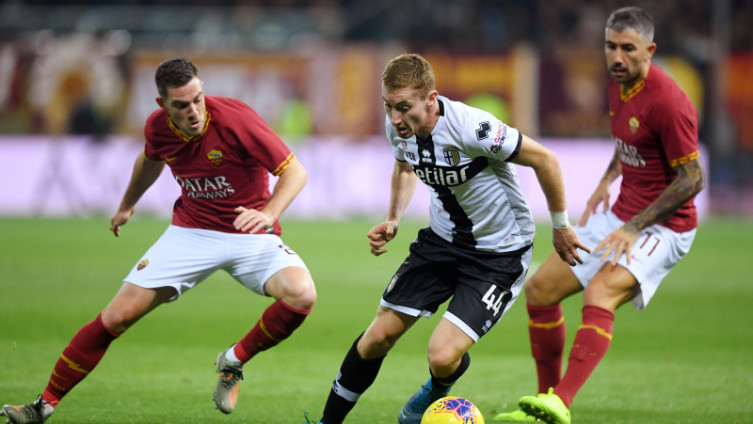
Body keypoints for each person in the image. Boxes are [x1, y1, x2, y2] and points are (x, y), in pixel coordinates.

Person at [0, 57, 317, 424]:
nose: (194, 111)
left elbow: (295, 171)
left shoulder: (236, 119)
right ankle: (42, 406)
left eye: (197, 99)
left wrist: (269, 213)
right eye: (181, 105)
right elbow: (151, 160)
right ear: (162, 104)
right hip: (192, 233)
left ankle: (233, 360)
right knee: (116, 317)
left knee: (302, 295)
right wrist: (127, 204)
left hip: (251, 231)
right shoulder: (157, 128)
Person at [304, 53, 588, 424]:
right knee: (376, 337)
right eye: (388, 106)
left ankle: (435, 390)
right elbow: (405, 167)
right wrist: (394, 218)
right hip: (441, 241)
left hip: (498, 254)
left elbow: (546, 159)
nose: (395, 118)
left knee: (441, 356)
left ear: (431, 99)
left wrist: (561, 226)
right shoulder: (399, 127)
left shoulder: (474, 128)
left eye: (403, 108)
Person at [493, 7, 705, 424]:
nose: (617, 57)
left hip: (665, 226)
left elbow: (693, 178)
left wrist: (634, 227)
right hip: (621, 213)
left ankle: (562, 401)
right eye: (611, 46)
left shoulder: (669, 101)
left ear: (650, 50)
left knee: (600, 292)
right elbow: (632, 141)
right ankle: (543, 403)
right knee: (539, 290)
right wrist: (608, 179)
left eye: (628, 48)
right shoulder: (617, 81)